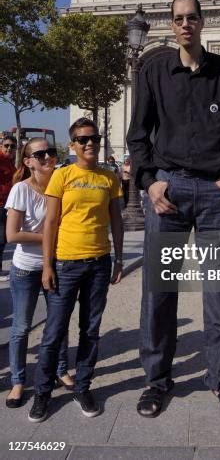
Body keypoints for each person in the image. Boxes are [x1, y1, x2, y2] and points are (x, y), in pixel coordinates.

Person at [127, 0, 220, 418]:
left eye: (192, 18)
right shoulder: (153, 71)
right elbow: (138, 133)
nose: (186, 25)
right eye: (179, 19)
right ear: (171, 24)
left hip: (216, 196)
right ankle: (156, 381)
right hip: (170, 192)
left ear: (203, 23)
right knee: (159, 294)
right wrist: (149, 183)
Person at [29, 117, 124, 423]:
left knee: (90, 331)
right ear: (73, 145)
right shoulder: (62, 175)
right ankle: (42, 393)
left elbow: (117, 221)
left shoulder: (110, 178)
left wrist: (119, 259)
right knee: (54, 332)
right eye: (83, 139)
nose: (90, 144)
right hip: (65, 263)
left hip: (99, 263)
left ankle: (82, 386)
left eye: (94, 138)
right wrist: (47, 265)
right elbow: (51, 223)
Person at [5, 138, 73, 408]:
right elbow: (12, 234)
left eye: (51, 152)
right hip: (25, 270)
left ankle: (61, 370)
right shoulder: (21, 190)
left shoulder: (64, 185)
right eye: (40, 154)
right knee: (21, 327)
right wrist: (49, 237)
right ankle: (18, 381)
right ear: (28, 161)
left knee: (59, 324)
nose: (47, 157)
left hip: (58, 265)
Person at [0, 135, 17, 281]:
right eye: (6, 145)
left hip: (6, 205)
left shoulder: (11, 162)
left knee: (4, 238)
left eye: (12, 146)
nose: (9, 148)